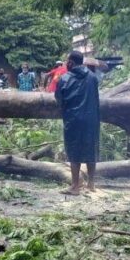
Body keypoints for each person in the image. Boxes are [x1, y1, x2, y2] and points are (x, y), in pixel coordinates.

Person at [55, 51, 100, 195]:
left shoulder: (64, 78)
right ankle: (91, 184)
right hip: (91, 119)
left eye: (67, 60)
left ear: (71, 62)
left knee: (74, 151)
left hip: (73, 119)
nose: (66, 63)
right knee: (90, 149)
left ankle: (75, 186)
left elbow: (59, 99)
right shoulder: (93, 78)